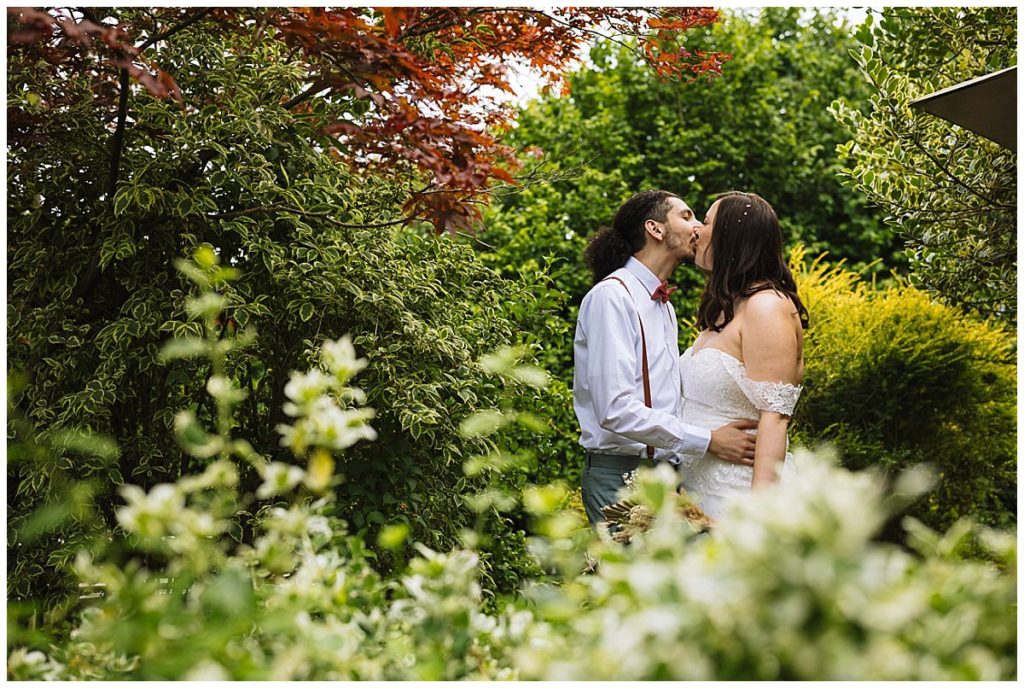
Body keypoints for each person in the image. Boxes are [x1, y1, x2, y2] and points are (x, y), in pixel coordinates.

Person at [574, 190, 758, 529]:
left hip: (664, 478)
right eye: (687, 216)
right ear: (655, 229)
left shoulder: (665, 307)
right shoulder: (611, 297)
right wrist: (709, 440)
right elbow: (614, 409)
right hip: (619, 476)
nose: (698, 228)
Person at [677, 190, 808, 519]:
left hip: (738, 497)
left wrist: (757, 518)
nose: (696, 230)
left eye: (705, 222)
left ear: (730, 237)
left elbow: (775, 419)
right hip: (696, 494)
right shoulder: (726, 309)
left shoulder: (767, 307)